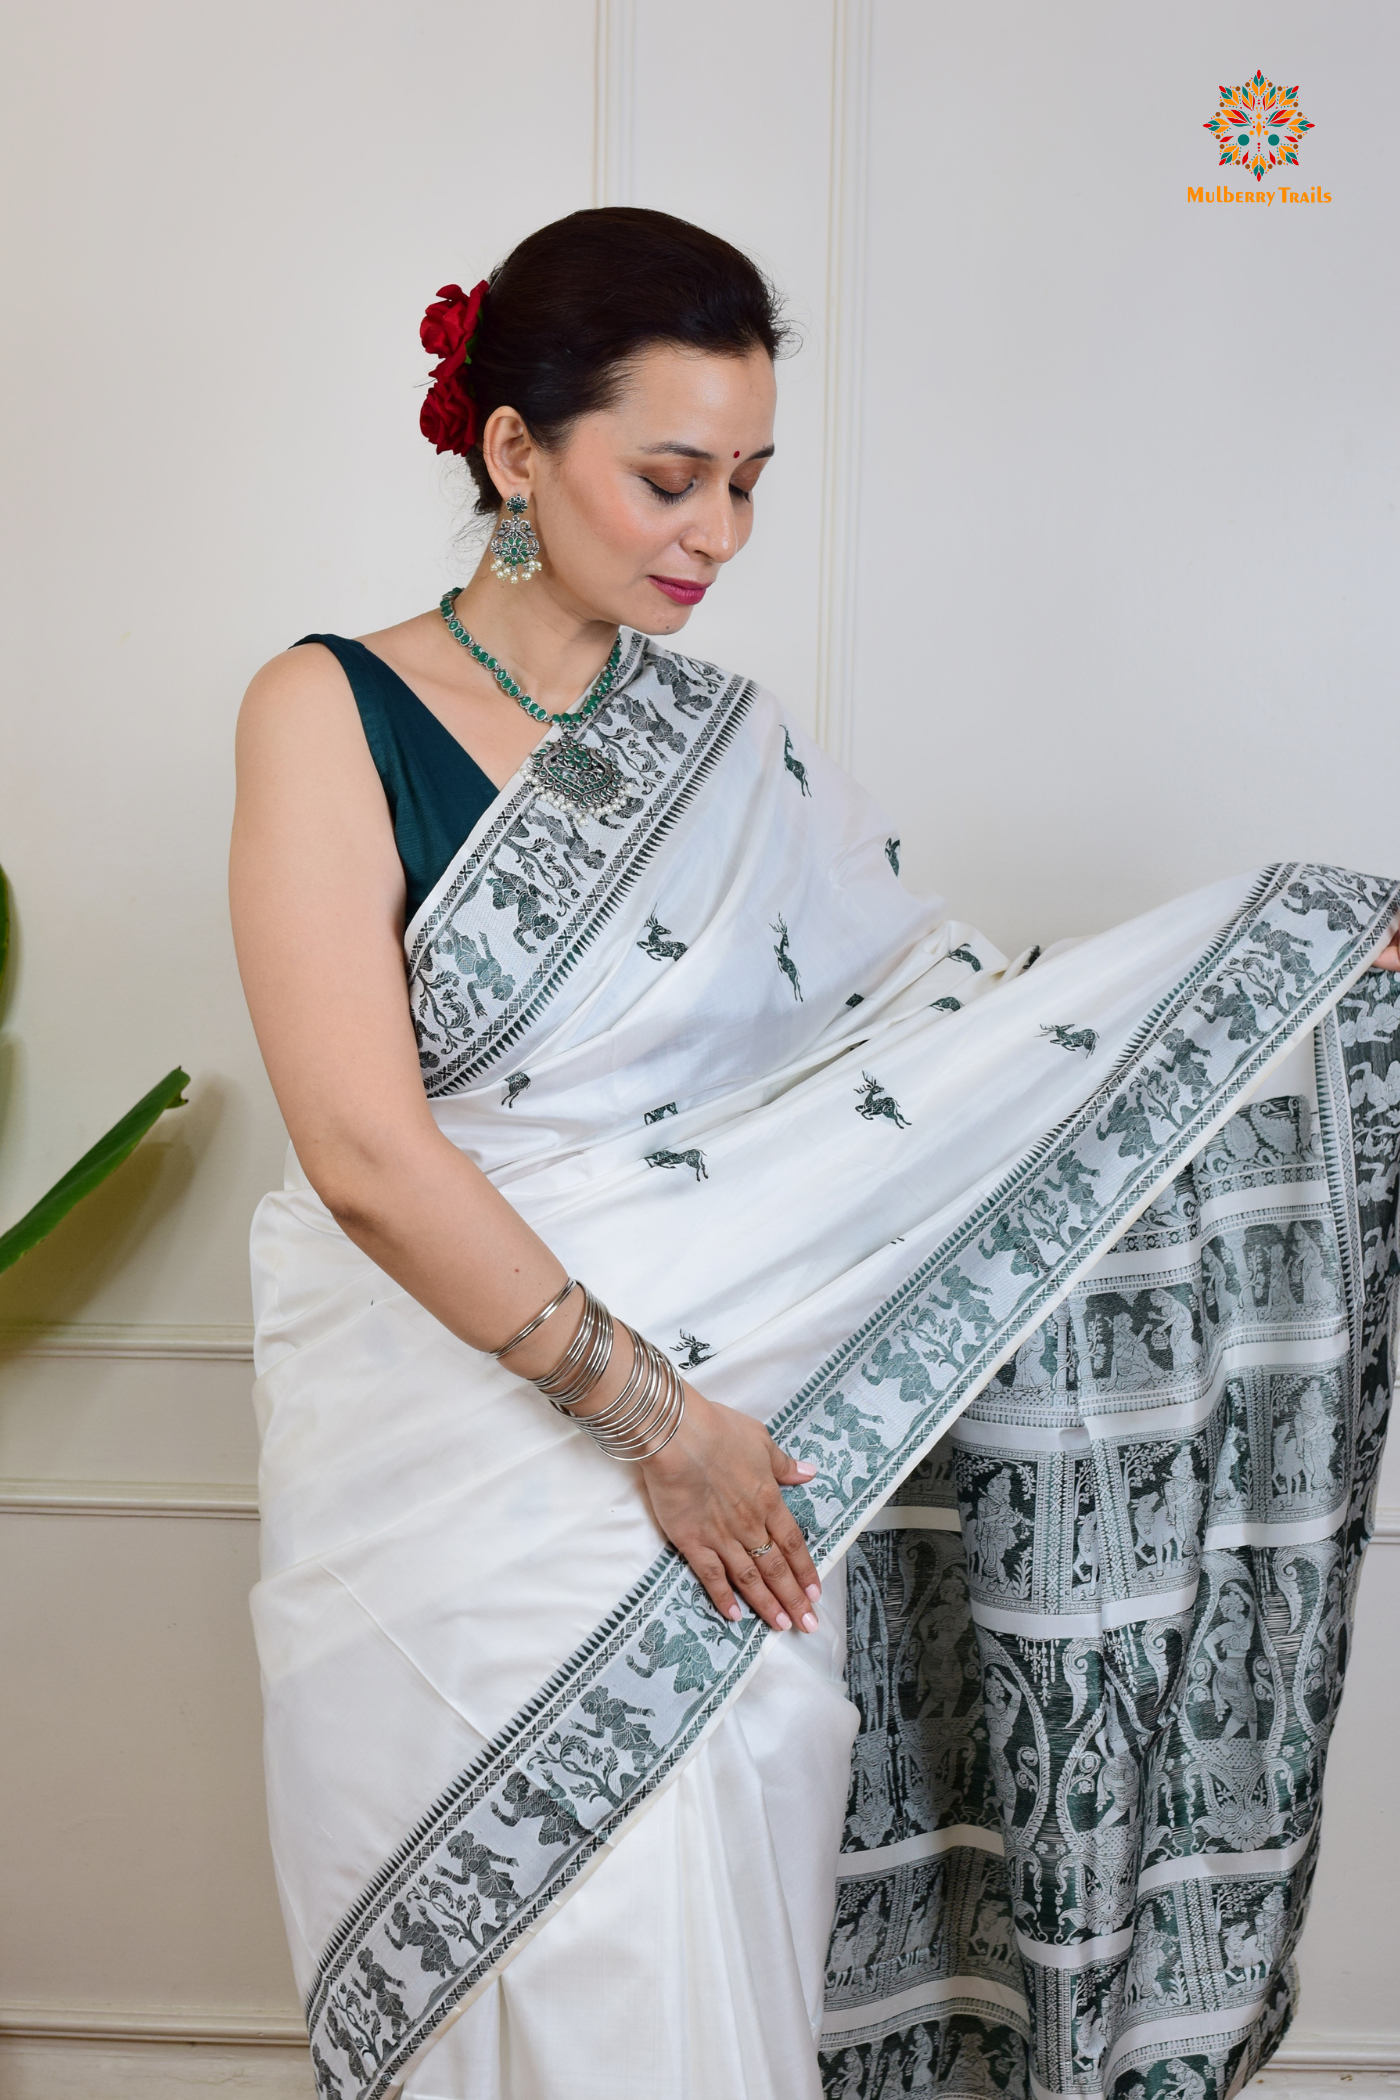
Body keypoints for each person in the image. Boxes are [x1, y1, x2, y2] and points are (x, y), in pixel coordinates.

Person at [230, 208, 1400, 2100]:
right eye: (670, 478)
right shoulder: (328, 713)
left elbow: (933, 1036)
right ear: (515, 449)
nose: (716, 537)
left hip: (737, 1459)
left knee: (707, 1977)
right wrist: (657, 1430)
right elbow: (364, 1149)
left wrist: (1279, 971)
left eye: (750, 486)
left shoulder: (732, 747)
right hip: (462, 1474)